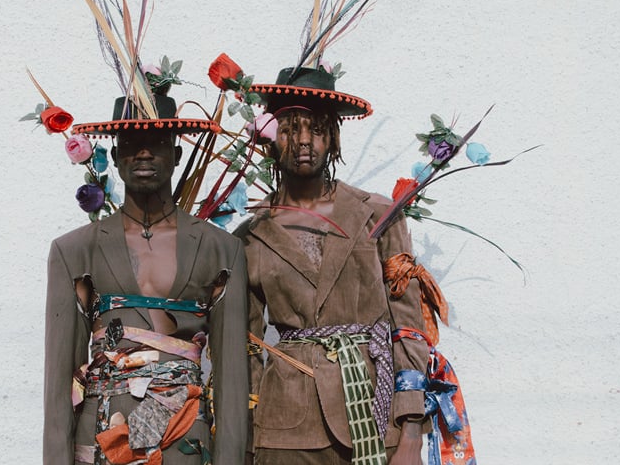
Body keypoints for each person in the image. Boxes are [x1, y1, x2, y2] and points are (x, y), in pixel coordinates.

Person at [236, 67, 440, 465]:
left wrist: (411, 430)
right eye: (289, 129)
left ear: (334, 138)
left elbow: (408, 326)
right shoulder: (251, 235)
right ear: (271, 140)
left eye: (316, 129)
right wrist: (249, 433)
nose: (303, 142)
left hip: (375, 414)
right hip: (285, 426)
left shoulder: (378, 216)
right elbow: (245, 346)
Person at [44, 94, 249, 465]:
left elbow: (233, 383)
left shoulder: (221, 249)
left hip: (185, 439)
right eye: (131, 144)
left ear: (176, 154)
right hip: (103, 439)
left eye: (155, 143)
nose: (143, 154)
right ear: (116, 154)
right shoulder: (74, 251)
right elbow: (59, 384)